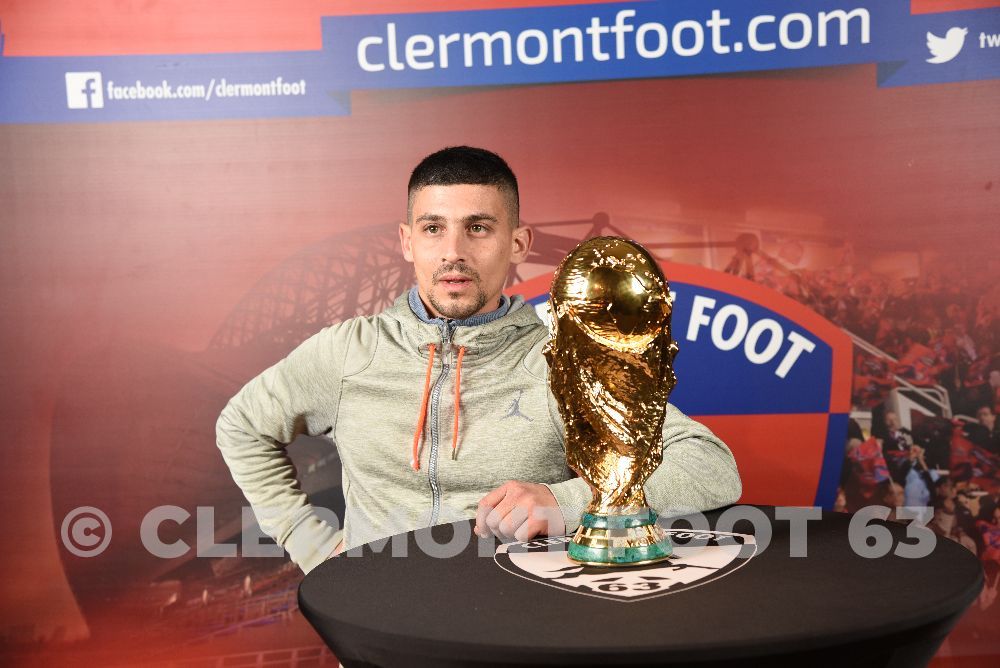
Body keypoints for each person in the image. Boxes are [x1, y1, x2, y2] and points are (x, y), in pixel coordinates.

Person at [215, 146, 742, 574]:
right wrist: (311, 546)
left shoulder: (558, 361)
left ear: (518, 243)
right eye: (432, 228)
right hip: (376, 629)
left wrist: (569, 502)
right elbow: (240, 426)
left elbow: (712, 468)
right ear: (406, 242)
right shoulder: (350, 352)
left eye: (479, 228)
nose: (453, 252)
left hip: (515, 632)